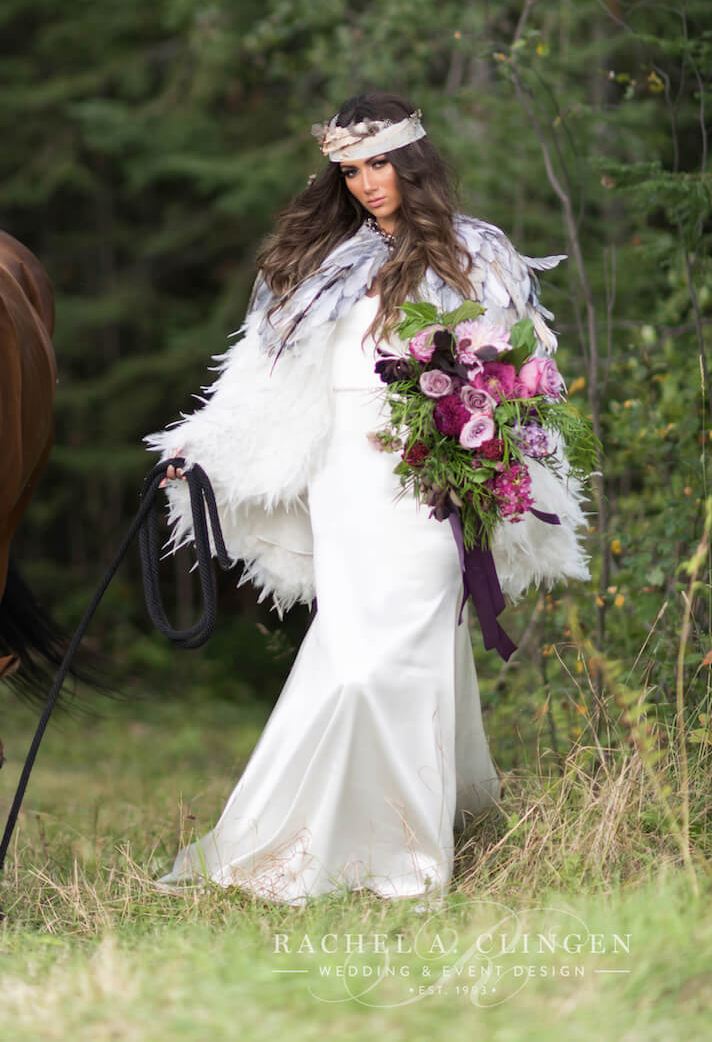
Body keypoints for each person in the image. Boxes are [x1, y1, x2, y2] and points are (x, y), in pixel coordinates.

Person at [143, 90, 590, 908]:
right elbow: (265, 381)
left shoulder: (476, 253)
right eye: (349, 171)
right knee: (351, 656)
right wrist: (197, 451)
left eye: (377, 163)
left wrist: (489, 435)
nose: (365, 183)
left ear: (412, 158)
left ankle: (408, 856)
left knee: (398, 657)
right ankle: (312, 841)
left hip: (432, 477)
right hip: (345, 479)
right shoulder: (325, 266)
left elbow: (526, 372)